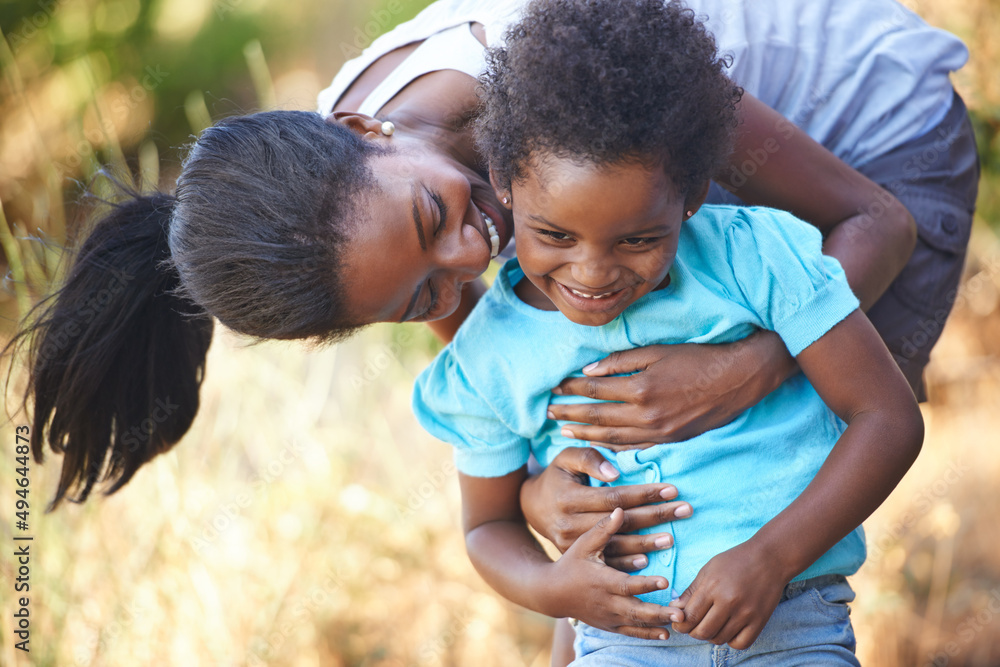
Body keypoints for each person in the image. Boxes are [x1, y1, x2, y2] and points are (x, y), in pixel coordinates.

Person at [1, 0, 970, 641]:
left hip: (872, 140)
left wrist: (752, 369)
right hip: (682, 218)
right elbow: (523, 407)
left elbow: (870, 222)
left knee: (770, 484)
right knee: (619, 532)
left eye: (435, 216)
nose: (472, 260)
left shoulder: (562, 66)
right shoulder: (368, 237)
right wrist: (543, 491)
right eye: (422, 297)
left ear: (364, 131)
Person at [410, 1, 924, 662]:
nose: (593, 273)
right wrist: (551, 586)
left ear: (693, 194)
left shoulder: (758, 259)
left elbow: (887, 419)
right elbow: (488, 525)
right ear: (505, 186)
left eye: (639, 238)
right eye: (554, 234)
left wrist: (773, 555)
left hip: (792, 618)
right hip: (624, 640)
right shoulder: (489, 352)